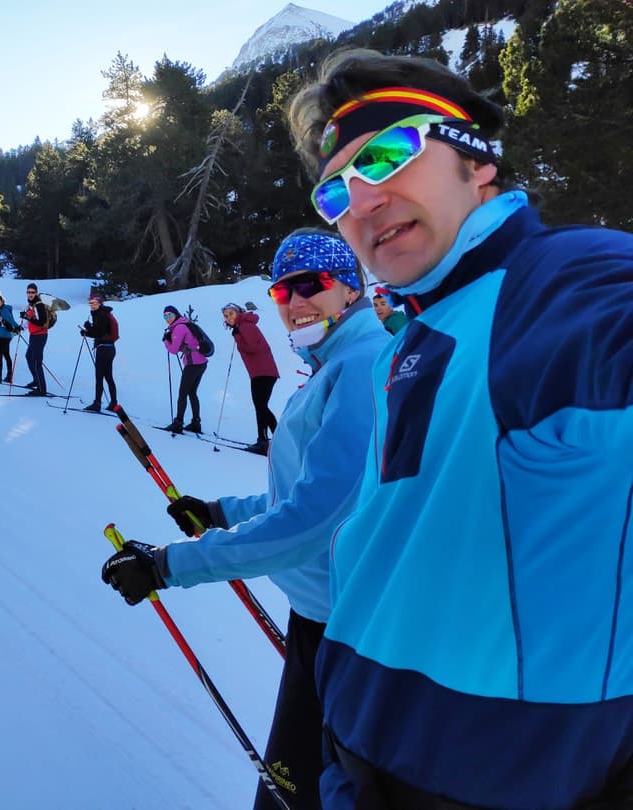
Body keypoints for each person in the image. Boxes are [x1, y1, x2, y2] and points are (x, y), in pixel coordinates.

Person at [286, 49, 633, 809]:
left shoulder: (558, 285)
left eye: (388, 155)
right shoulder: (416, 334)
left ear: (478, 165)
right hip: (363, 769)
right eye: (335, 190)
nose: (363, 200)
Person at [101, 229, 389, 810]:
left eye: (313, 283)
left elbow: (313, 522)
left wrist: (167, 566)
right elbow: (303, 497)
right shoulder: (333, 365)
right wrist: (218, 513)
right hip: (322, 618)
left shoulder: (360, 366)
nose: (296, 300)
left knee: (300, 792)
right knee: (296, 786)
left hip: (352, 631)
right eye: (284, 291)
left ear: (352, 288)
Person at [222, 303, 280, 455]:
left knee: (261, 406)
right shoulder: (242, 326)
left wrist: (238, 337)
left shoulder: (245, 326)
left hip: (263, 372)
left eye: (231, 314)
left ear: (239, 312)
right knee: (261, 406)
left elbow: (252, 348)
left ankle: (266, 440)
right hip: (260, 372)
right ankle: (271, 439)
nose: (229, 318)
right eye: (226, 316)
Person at [161, 305, 207, 434]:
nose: (168, 318)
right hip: (201, 362)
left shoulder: (179, 327)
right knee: (192, 392)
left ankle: (178, 423)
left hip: (193, 364)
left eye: (170, 315)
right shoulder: (186, 323)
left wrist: (166, 341)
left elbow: (173, 350)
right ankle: (196, 423)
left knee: (183, 394)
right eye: (165, 316)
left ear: (176, 314)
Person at [79, 292, 119, 412]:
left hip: (104, 349)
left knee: (99, 377)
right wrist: (88, 330)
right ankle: (113, 402)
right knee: (108, 376)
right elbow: (100, 331)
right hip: (110, 348)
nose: (92, 305)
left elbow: (99, 333)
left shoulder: (101, 314)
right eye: (90, 303)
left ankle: (97, 404)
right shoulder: (103, 313)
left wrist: (88, 329)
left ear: (100, 303)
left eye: (94, 303)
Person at [19, 283, 50, 396]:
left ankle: (42, 389)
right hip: (34, 335)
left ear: (36, 293)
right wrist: (22, 326)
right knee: (29, 357)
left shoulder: (39, 305)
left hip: (40, 336)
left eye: (32, 292)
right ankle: (36, 380)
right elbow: (31, 321)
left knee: (37, 362)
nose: (30, 294)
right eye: (28, 292)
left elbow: (41, 321)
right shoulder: (31, 305)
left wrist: (27, 317)